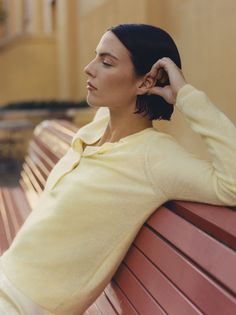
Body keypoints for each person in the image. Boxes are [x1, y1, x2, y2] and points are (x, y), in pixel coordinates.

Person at [0, 23, 236, 315]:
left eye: (107, 62)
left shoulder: (154, 157)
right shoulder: (97, 127)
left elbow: (232, 182)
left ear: (144, 83)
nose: (89, 68)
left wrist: (186, 96)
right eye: (95, 56)